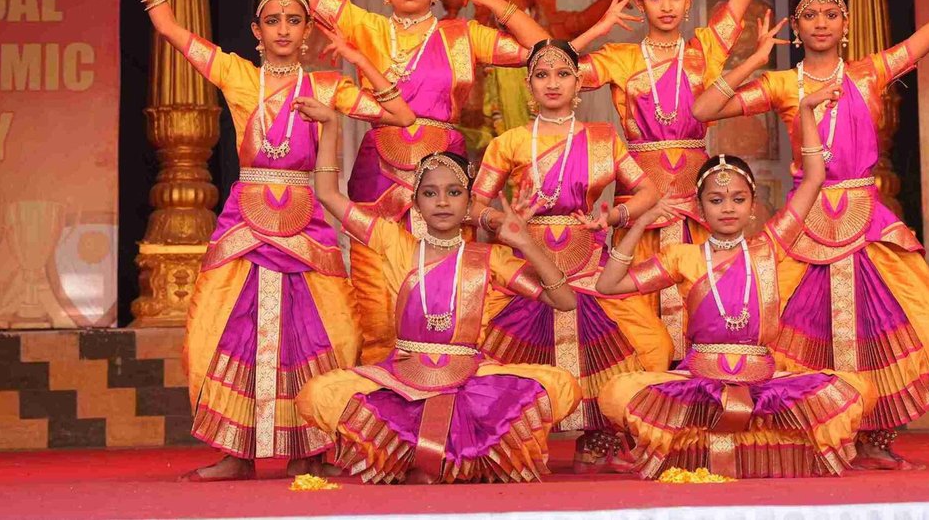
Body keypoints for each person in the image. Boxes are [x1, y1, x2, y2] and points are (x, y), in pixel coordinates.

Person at [99, 0, 414, 481]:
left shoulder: (326, 87)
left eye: (294, 20)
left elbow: (401, 115)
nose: (284, 29)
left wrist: (358, 63)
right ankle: (236, 450)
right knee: (221, 328)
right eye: (273, 21)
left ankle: (312, 447)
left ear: (307, 31)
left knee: (327, 331)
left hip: (306, 221)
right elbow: (170, 29)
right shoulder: (237, 75)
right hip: (245, 222)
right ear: (256, 31)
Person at [690, 0, 929, 469]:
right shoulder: (782, 84)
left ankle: (876, 437)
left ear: (846, 22)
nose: (821, 23)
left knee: (922, 325)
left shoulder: (871, 72)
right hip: (804, 223)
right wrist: (753, 59)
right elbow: (704, 108)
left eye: (831, 13)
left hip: (866, 221)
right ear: (797, 25)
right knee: (783, 335)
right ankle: (813, 435)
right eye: (810, 15)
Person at [276, 0, 551, 363]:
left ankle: (448, 393)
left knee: (451, 298)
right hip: (378, 173)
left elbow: (543, 49)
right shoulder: (365, 26)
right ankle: (380, 399)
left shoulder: (462, 35)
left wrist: (488, 0)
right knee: (378, 307)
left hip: (445, 176)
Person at [594, 94, 872, 479]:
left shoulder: (769, 247)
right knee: (619, 393)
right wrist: (639, 223)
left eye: (738, 199)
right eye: (716, 200)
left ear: (753, 206)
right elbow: (609, 284)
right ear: (700, 208)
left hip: (762, 380)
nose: (728, 208)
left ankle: (736, 444)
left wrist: (806, 112)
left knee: (851, 391)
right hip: (700, 382)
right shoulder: (683, 257)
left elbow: (814, 178)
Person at [568, 0, 794, 350]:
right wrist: (600, 29)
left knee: (702, 302)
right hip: (641, 202)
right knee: (638, 317)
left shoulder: (704, 50)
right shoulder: (621, 57)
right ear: (640, 3)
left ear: (689, 0)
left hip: (697, 203)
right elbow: (555, 68)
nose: (666, 5)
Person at [296, 148, 581, 485]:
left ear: (470, 203)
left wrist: (526, 242)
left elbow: (565, 301)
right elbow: (328, 194)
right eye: (430, 193)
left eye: (454, 192)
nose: (442, 202)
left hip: (470, 378)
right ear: (415, 203)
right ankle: (445, 459)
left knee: (561, 385)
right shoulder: (395, 243)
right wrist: (330, 126)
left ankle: (430, 458)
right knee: (318, 393)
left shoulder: (489, 257)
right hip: (402, 378)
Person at [470, 39, 672, 472]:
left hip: (591, 264)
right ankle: (514, 439)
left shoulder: (603, 139)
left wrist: (615, 215)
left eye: (563, 74)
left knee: (652, 344)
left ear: (578, 82)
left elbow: (647, 190)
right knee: (489, 348)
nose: (553, 83)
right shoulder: (509, 143)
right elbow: (474, 206)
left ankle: (598, 437)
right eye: (542, 75)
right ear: (529, 84)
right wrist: (503, 221)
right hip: (529, 265)